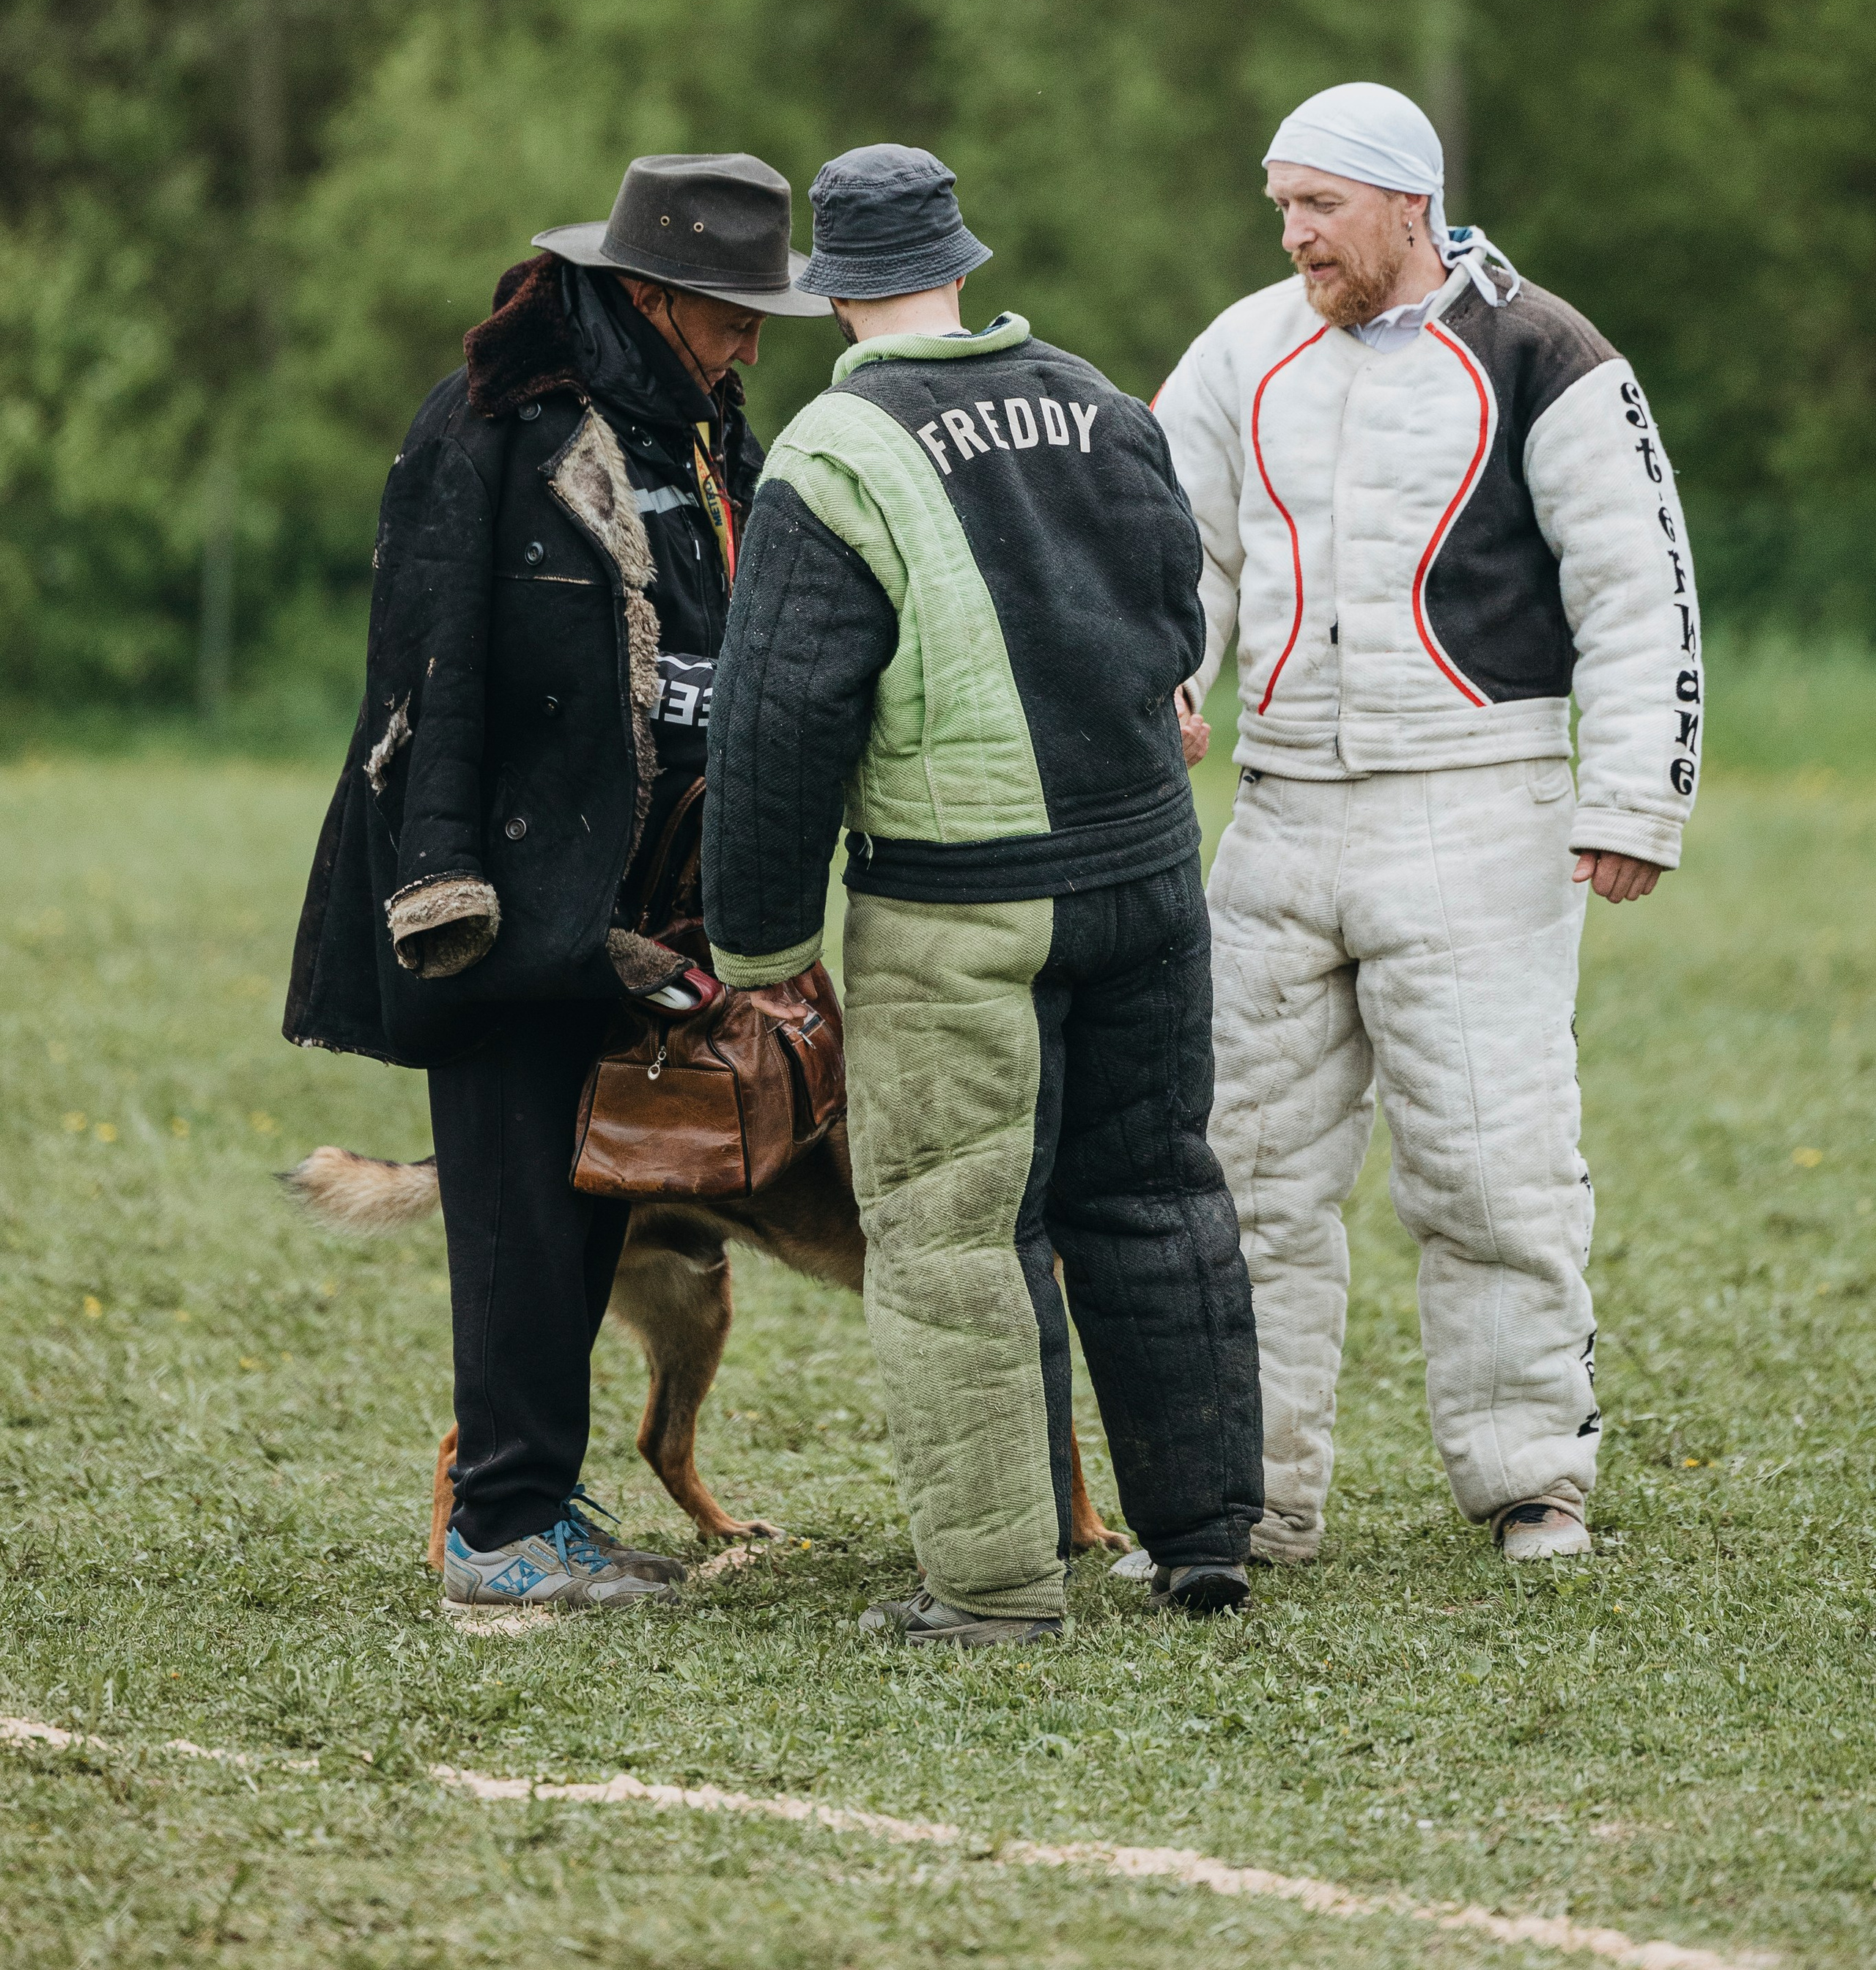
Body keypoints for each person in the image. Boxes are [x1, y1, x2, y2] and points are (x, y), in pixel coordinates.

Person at [701, 143, 1262, 1645]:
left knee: (954, 1232)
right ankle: (1203, 1537)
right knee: (1157, 1193)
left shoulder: (830, 451)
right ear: (961, 266)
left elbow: (778, 722)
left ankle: (998, 1590)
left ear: (834, 293)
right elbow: (1169, 605)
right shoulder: (1097, 399)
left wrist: (758, 943)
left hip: (964, 908)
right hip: (1147, 878)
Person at [1154, 81, 1701, 1567]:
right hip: (1274, 812)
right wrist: (1164, 689)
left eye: (1315, 207)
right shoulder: (1239, 350)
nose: (1289, 237)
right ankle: (1243, 1495)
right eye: (1277, 206)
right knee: (1244, 1169)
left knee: (1486, 1163)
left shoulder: (1545, 353)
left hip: (1478, 809)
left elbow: (1634, 587)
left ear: (1408, 202)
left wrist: (1632, 796)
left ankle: (1533, 1478)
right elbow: (1169, 553)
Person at [282, 152, 828, 1606]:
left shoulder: (706, 426)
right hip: (507, 909)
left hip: (641, 918)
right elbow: (425, 672)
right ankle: (500, 1534)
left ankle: (537, 1507)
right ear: (651, 294)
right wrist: (447, 884)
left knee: (587, 1209)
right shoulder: (493, 425)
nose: (750, 341)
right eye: (730, 311)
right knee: (521, 1220)